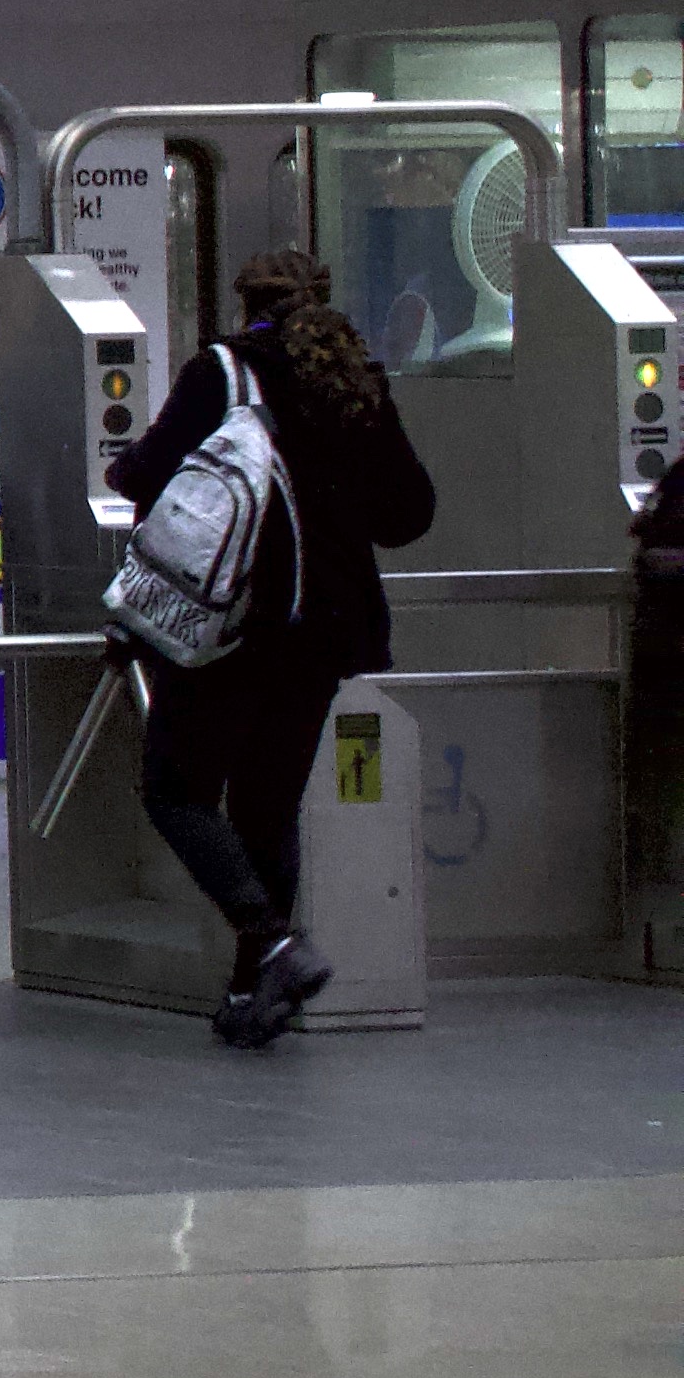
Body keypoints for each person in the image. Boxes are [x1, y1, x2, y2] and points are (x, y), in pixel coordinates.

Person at [109, 248, 438, 1047]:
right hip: (326, 634)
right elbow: (408, 513)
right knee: (266, 805)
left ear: (244, 301)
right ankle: (250, 996)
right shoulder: (357, 379)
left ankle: (270, 942)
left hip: (232, 626)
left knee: (176, 790)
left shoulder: (222, 372)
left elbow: (141, 475)